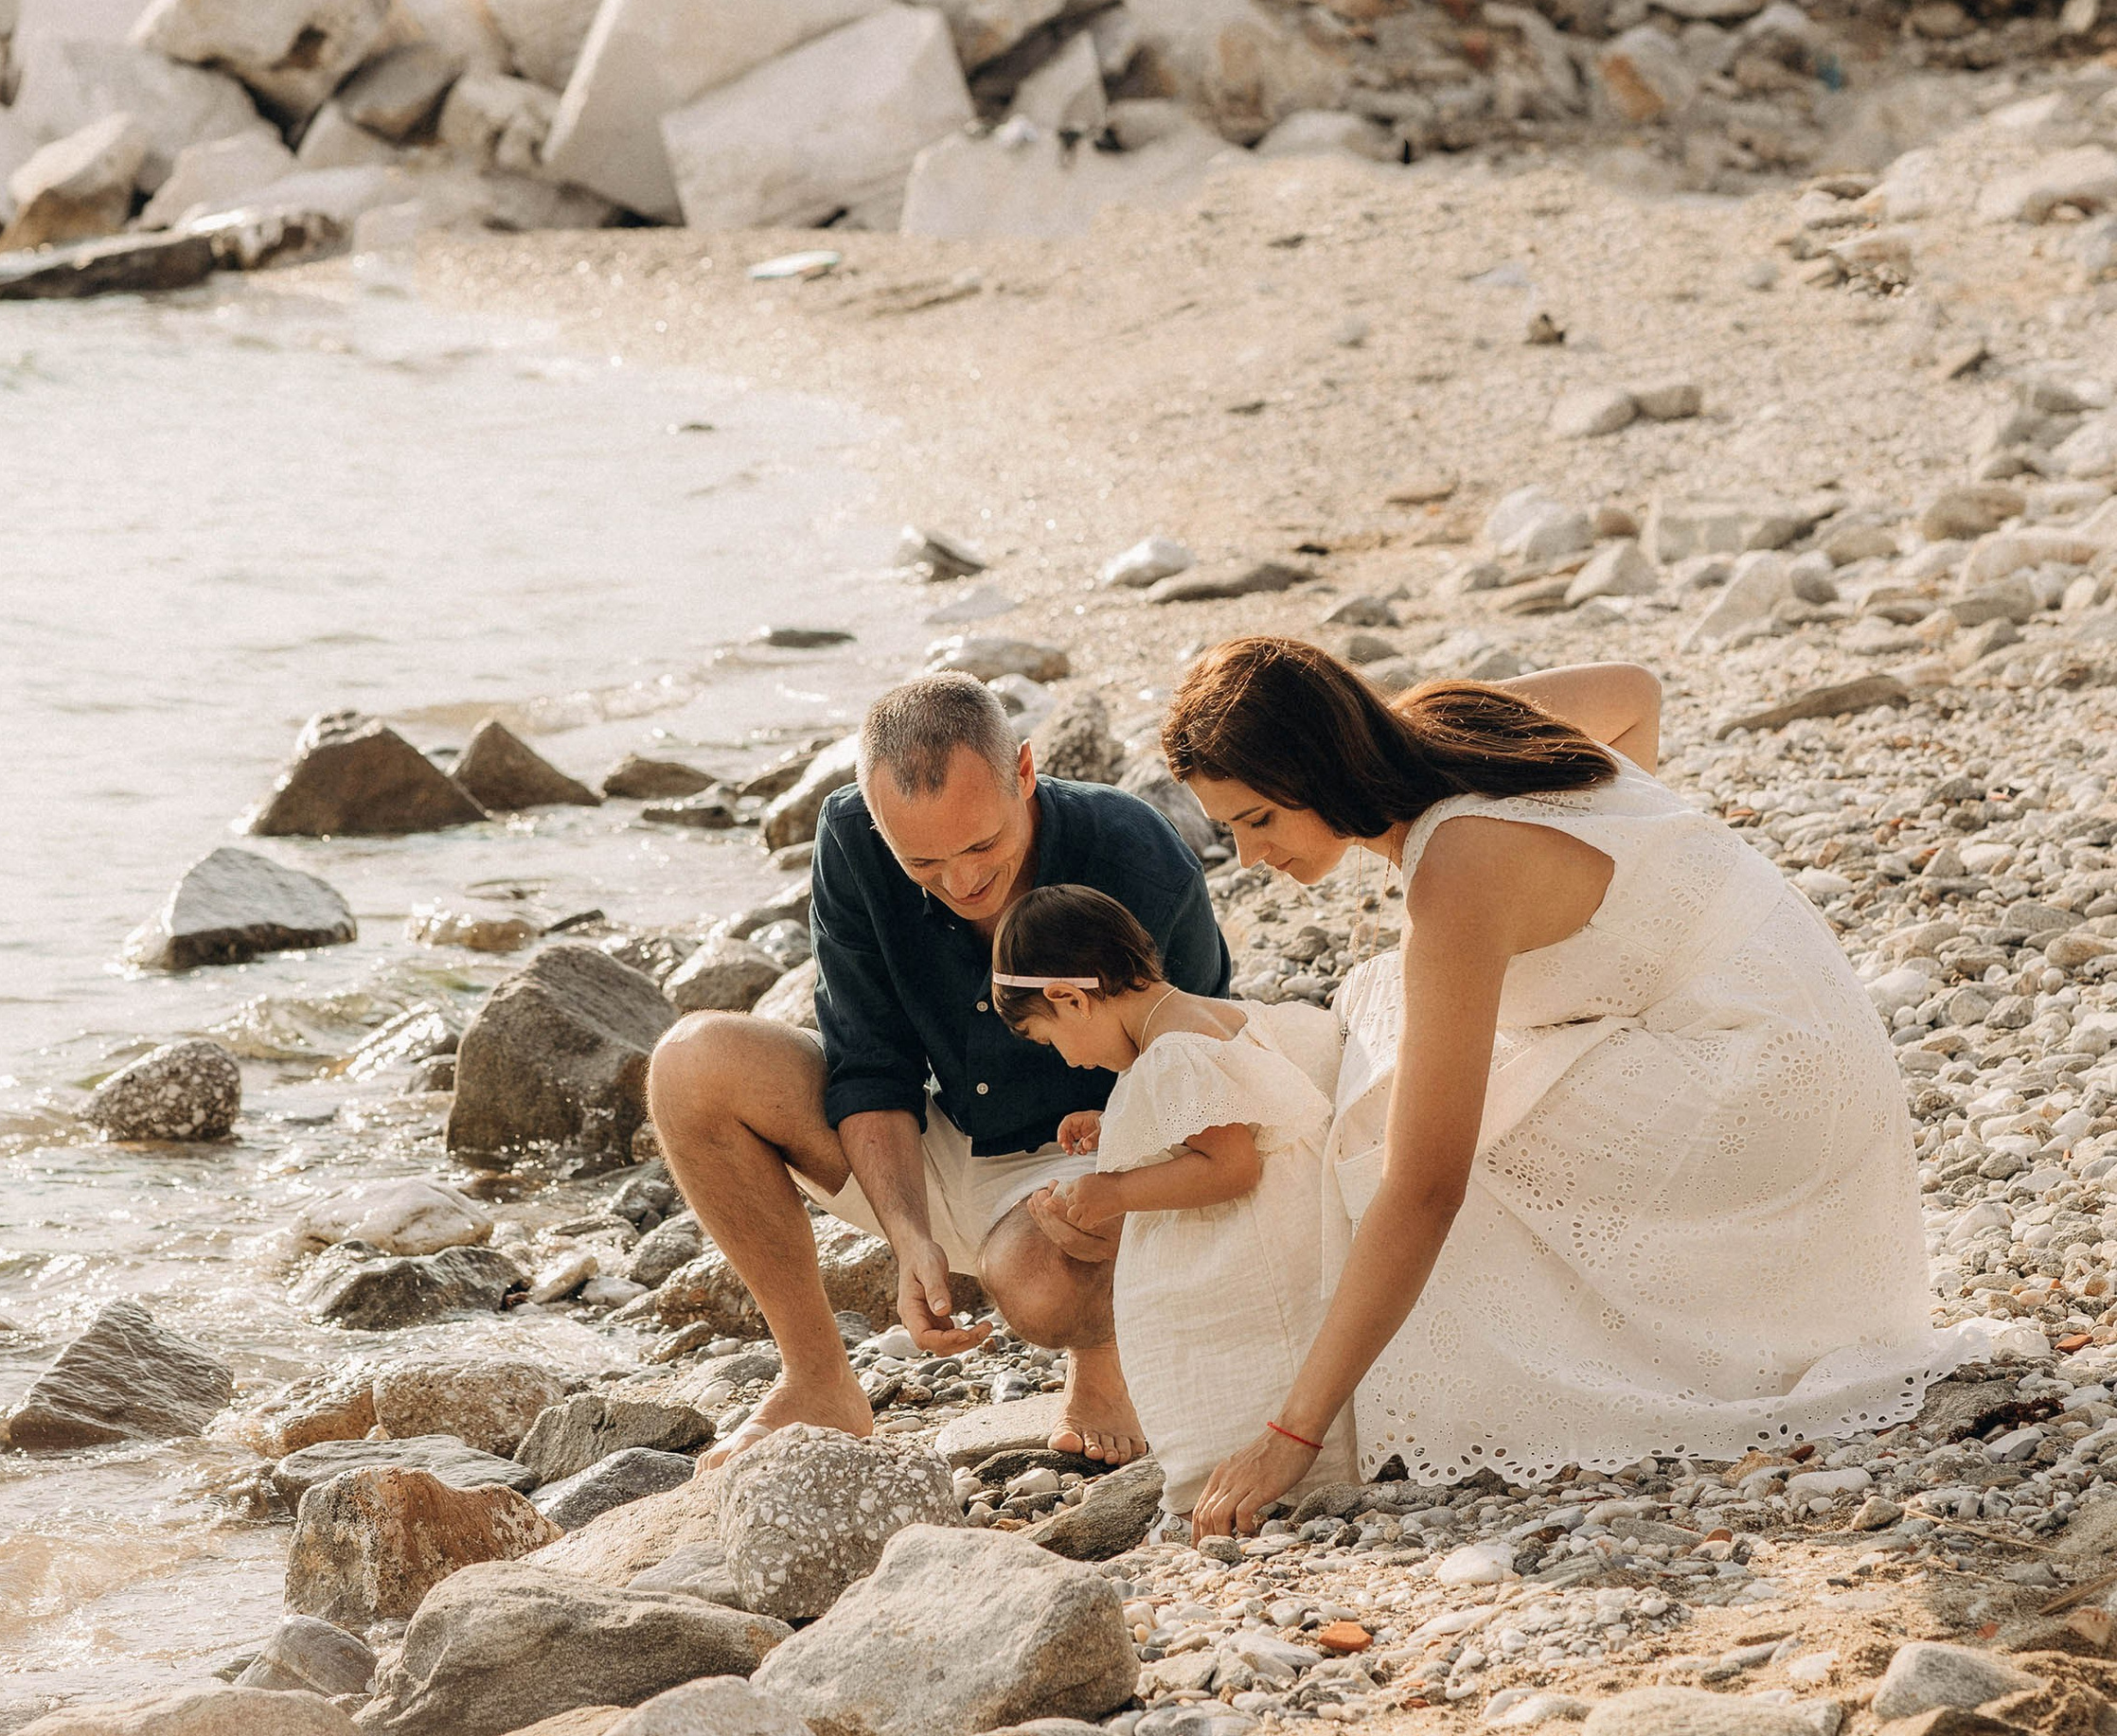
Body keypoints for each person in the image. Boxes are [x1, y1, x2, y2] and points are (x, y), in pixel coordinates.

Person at [1150, 635, 1971, 1540]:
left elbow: (1426, 1188)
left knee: (1373, 1136)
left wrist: (1288, 1435)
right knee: (1392, 1026)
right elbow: (1635, 692)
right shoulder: (1453, 722)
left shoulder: (1458, 868)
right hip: (1809, 1011)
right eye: (1228, 828)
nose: (1247, 857)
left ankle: (1495, 1372)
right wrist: (1624, 929)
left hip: (1770, 1089)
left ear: (1323, 766)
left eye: (1259, 818)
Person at [647, 670, 1230, 1465]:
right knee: (691, 1064)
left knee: (1039, 1287)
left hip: (1101, 1149)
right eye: (923, 863)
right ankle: (817, 1380)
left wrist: (1115, 1180)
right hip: (940, 1136)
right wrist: (909, 1234)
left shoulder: (1132, 853)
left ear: (1023, 772)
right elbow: (870, 1062)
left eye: (983, 845)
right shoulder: (852, 837)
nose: (961, 882)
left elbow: (1199, 1071)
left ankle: (1108, 1360)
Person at [990, 881, 1333, 1520]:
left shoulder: (1172, 1054)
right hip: (1300, 1234)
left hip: (1254, 1258)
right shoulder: (1204, 1019)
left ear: (1069, 998)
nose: (1067, 1059)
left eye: (1049, 1038)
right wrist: (1117, 1124)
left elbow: (1231, 1165)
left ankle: (1261, 1474)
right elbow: (1222, 1115)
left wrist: (1112, 1190)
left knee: (1247, 1367)